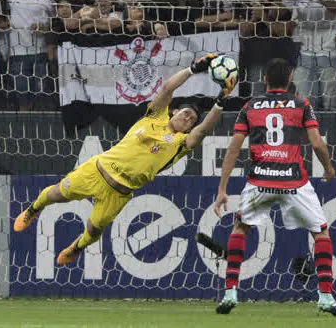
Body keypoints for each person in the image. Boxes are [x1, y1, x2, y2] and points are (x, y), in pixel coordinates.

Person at [13, 53, 237, 266]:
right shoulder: (155, 116)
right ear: (174, 111)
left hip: (119, 192)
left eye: (191, 120)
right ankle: (34, 208)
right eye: (185, 113)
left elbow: (203, 130)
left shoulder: (181, 144)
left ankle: (77, 247)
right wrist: (193, 68)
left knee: (94, 230)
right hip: (97, 170)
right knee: (58, 194)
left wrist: (221, 100)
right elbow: (168, 88)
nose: (188, 119)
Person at [213, 58, 336, 317]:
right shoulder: (301, 104)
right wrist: (329, 169)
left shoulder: (250, 106)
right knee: (320, 233)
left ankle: (230, 291)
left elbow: (232, 149)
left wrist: (222, 188)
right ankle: (326, 297)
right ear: (290, 80)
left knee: (240, 227)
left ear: (264, 80)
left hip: (259, 180)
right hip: (294, 181)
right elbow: (317, 144)